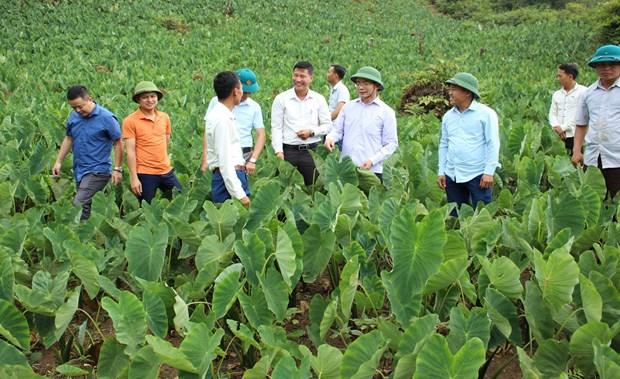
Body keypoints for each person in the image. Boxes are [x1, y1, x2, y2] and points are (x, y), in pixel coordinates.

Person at [52, 85, 122, 220]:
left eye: (80, 106)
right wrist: (58, 161)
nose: (78, 110)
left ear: (89, 99)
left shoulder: (106, 118)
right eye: (74, 108)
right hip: (80, 169)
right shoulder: (74, 116)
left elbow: (118, 143)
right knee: (86, 207)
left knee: (78, 204)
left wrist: (117, 169)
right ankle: (87, 237)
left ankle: (77, 235)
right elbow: (69, 138)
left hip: (98, 170)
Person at [437, 72, 500, 214]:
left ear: (467, 92)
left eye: (454, 89)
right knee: (456, 216)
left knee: (482, 218)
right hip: (452, 174)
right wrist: (442, 171)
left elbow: (492, 143)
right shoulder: (448, 116)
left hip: (478, 174)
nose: (450, 93)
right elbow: (444, 144)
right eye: (450, 89)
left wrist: (489, 172)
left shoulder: (486, 114)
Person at [324, 66, 398, 182]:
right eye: (358, 83)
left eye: (366, 84)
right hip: (347, 169)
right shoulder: (348, 107)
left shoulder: (386, 112)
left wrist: (372, 160)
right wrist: (330, 138)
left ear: (376, 86)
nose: (361, 87)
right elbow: (338, 130)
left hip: (372, 171)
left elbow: (391, 143)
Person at [271, 61, 331, 186]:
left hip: (311, 151)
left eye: (302, 76)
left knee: (312, 188)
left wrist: (312, 132)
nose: (298, 79)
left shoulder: (318, 99)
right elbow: (276, 127)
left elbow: (327, 125)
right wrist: (278, 151)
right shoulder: (282, 99)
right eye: (295, 75)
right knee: (284, 189)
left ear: (311, 78)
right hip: (288, 151)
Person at [572, 44, 620, 199]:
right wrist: (576, 150)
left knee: (616, 202)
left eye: (611, 64)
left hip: (617, 157)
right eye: (601, 65)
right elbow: (581, 123)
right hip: (593, 156)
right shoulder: (588, 93)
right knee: (593, 200)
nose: (606, 68)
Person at [122, 81, 182, 203]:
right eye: (145, 97)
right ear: (138, 100)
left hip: (166, 170)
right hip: (145, 173)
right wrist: (134, 178)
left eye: (152, 96)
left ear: (157, 98)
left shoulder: (164, 117)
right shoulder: (130, 121)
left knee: (181, 200)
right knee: (146, 208)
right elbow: (130, 151)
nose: (150, 100)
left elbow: (166, 141)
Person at [202, 68, 265, 175]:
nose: (245, 95)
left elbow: (261, 135)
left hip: (244, 153)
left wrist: (252, 160)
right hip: (220, 151)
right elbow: (208, 131)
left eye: (249, 92)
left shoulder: (254, 107)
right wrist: (205, 159)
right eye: (244, 91)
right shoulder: (216, 102)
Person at [204, 72, 251, 207]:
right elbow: (225, 161)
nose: (242, 93)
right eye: (241, 89)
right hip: (228, 180)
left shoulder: (222, 114)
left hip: (230, 177)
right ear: (236, 91)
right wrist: (241, 195)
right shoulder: (221, 119)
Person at [548, 63, 587, 155]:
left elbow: (582, 115)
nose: (557, 79)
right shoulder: (557, 94)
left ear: (570, 76)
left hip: (576, 135)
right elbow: (552, 113)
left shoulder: (584, 92)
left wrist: (563, 127)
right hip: (558, 135)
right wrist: (556, 126)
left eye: (560, 76)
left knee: (576, 163)